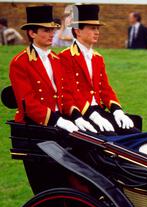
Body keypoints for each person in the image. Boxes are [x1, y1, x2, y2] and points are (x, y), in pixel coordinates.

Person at [59, 4, 138, 135]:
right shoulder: (65, 57)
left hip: (99, 111)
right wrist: (93, 115)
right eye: (92, 28)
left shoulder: (97, 58)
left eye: (97, 28)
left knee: (134, 135)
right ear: (78, 31)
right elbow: (71, 91)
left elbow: (105, 88)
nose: (97, 32)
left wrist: (117, 110)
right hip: (81, 114)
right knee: (113, 142)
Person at [9, 5, 88, 133]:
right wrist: (57, 120)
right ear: (32, 33)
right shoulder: (20, 62)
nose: (52, 34)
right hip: (35, 126)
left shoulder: (56, 59)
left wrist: (76, 115)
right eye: (46, 30)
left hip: (60, 121)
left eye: (52, 30)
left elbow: (65, 93)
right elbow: (28, 103)